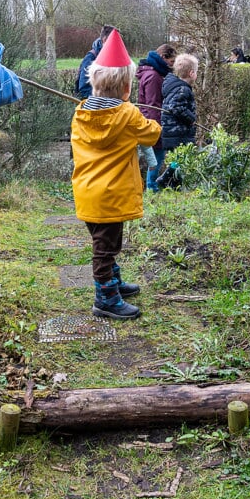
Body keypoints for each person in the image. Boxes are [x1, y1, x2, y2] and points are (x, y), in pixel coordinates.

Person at [71, 28, 161, 320]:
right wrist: (148, 116)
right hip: (111, 194)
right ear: (126, 88)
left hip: (86, 192)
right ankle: (105, 299)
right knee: (105, 248)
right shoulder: (128, 114)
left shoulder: (81, 112)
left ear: (94, 83)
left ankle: (114, 283)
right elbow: (151, 135)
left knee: (104, 242)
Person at [136, 43, 176, 190]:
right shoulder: (153, 76)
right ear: (163, 57)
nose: (171, 66)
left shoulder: (151, 72)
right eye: (171, 62)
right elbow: (153, 105)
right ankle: (152, 187)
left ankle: (152, 185)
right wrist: (157, 128)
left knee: (156, 157)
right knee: (157, 157)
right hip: (152, 122)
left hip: (149, 119)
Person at [160, 53, 200, 156]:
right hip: (178, 135)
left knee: (175, 162)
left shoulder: (173, 85)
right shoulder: (183, 89)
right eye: (196, 72)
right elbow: (176, 107)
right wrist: (192, 119)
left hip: (172, 134)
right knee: (180, 164)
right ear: (191, 73)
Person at [76, 25, 116, 99]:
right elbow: (84, 88)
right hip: (94, 105)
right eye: (115, 41)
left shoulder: (114, 57)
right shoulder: (91, 58)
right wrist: (103, 100)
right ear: (104, 40)